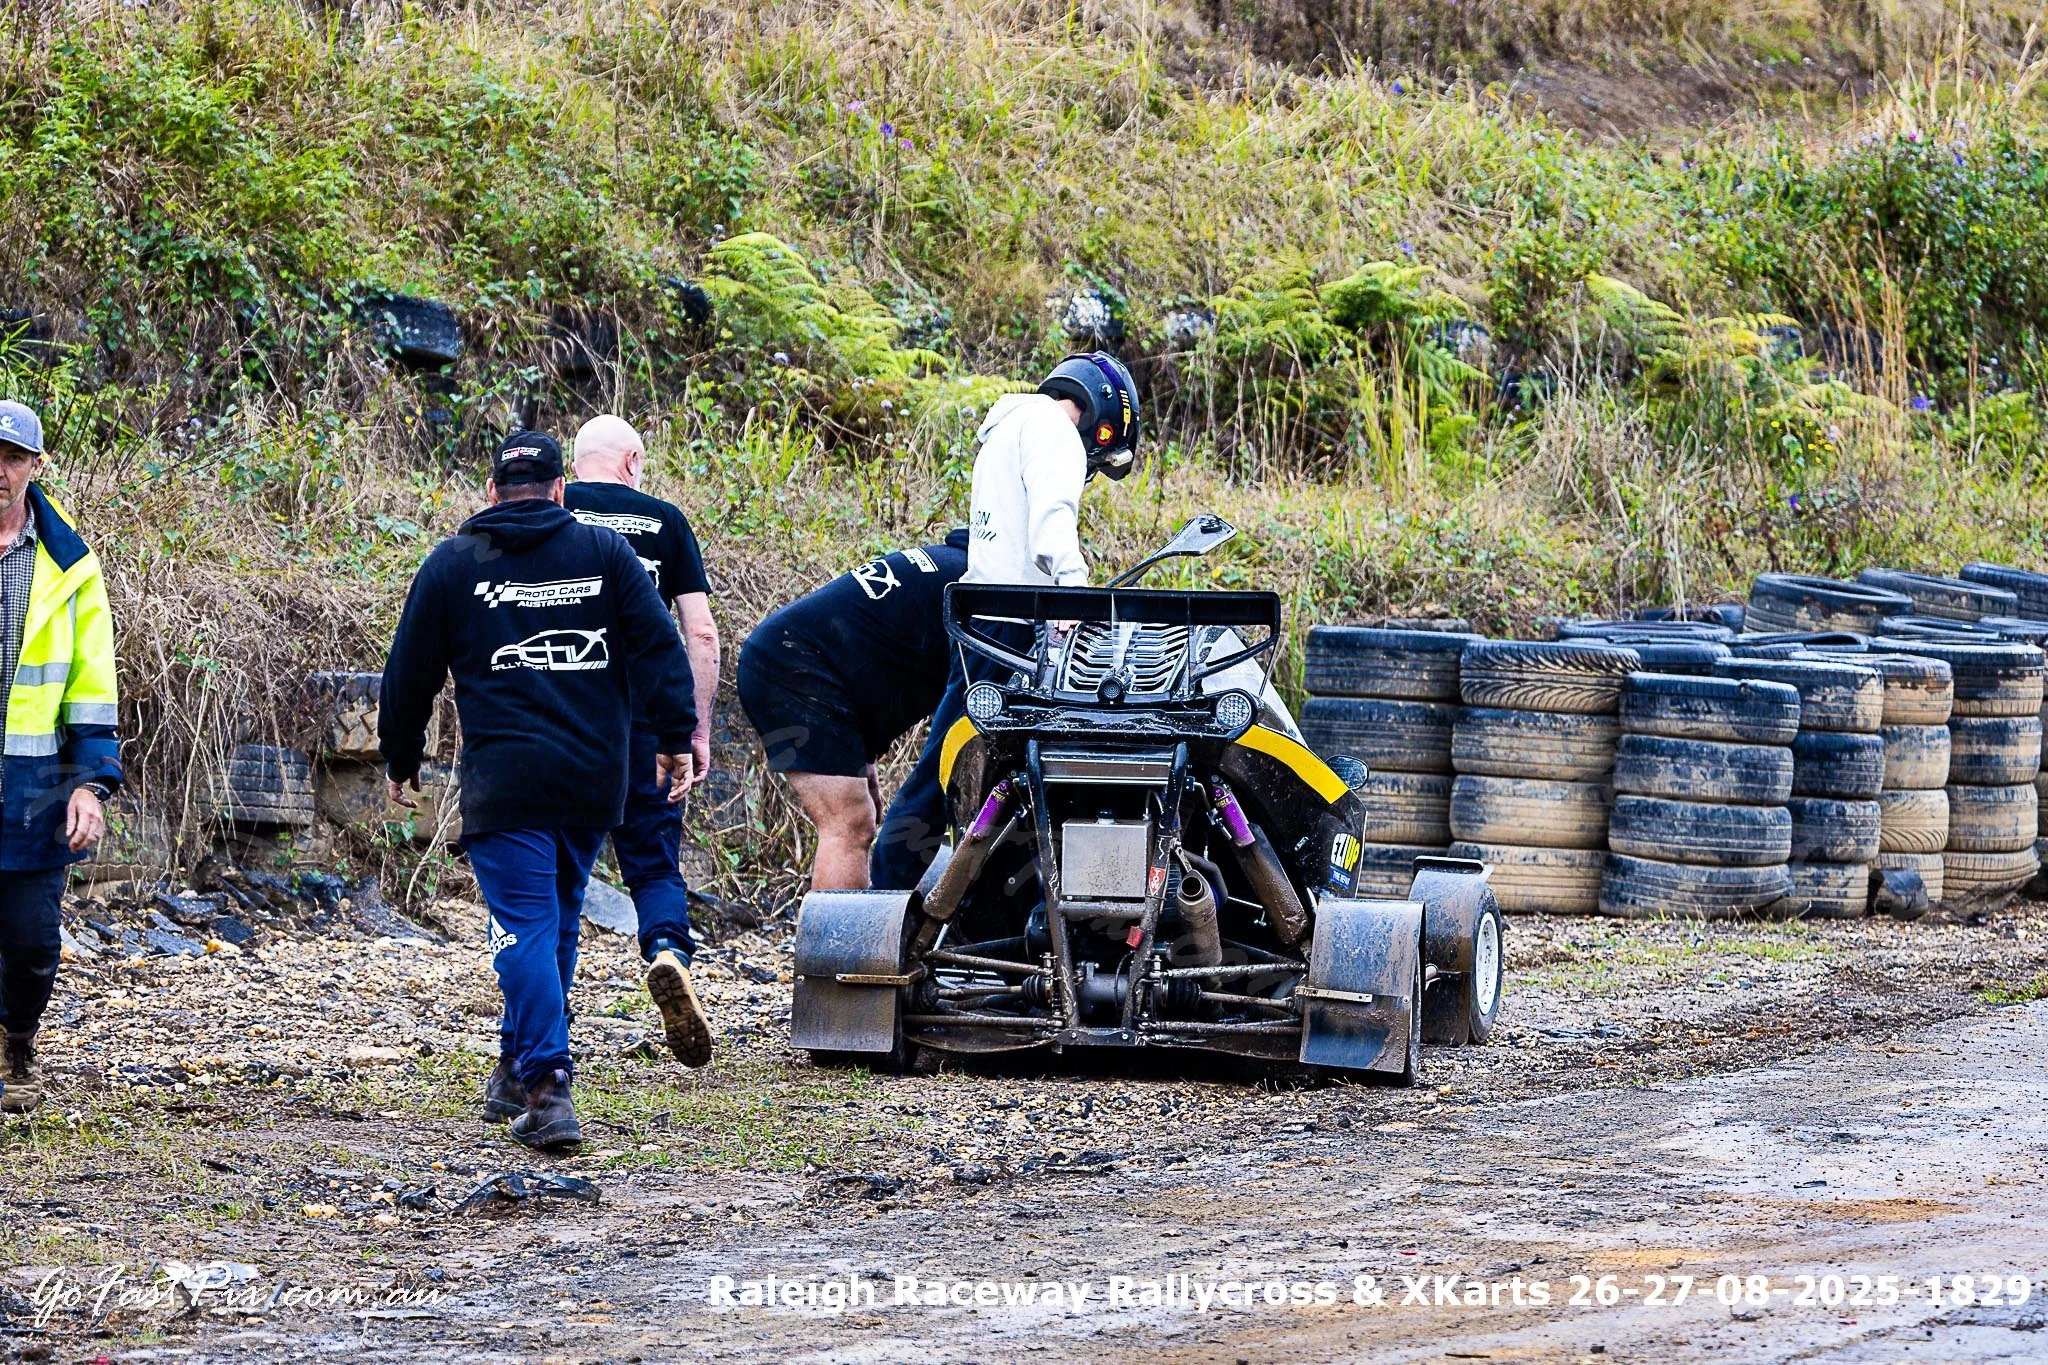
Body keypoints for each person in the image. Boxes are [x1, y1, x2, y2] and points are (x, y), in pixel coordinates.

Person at [380, 431, 700, 1151]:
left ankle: (549, 1087)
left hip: (508, 780)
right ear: (560, 489)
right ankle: (513, 1066)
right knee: (553, 920)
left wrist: (401, 755)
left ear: (493, 492)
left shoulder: (455, 561)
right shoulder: (605, 552)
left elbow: (409, 672)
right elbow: (661, 646)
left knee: (523, 925)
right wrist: (676, 736)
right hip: (593, 777)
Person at [869, 353, 1141, 890]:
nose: (1090, 458)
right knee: (978, 776)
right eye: (1097, 449)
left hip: (983, 621)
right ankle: (888, 892)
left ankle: (953, 899)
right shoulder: (1055, 431)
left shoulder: (1009, 426)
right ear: (1101, 413)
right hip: (1010, 626)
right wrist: (1074, 590)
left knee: (961, 768)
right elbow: (1053, 521)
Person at [562, 415, 719, 1066]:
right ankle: (668, 951)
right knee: (653, 865)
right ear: (631, 462)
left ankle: (548, 1004)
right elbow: (700, 632)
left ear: (574, 464)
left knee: (559, 867)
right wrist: (695, 727)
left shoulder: (551, 510)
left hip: (562, 721)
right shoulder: (665, 521)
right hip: (648, 728)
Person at [0, 399, 121, 1115]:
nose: (0, 470)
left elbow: (91, 685)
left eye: (13, 457)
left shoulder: (69, 565)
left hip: (33, 788)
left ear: (37, 466)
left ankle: (17, 1038)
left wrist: (91, 785)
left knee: (30, 941)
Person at [738, 530, 970, 890]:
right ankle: (838, 929)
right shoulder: (980, 587)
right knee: (849, 824)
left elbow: (875, 648)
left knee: (860, 818)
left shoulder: (949, 563)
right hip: (791, 665)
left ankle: (847, 922)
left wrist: (865, 754)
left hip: (794, 662)